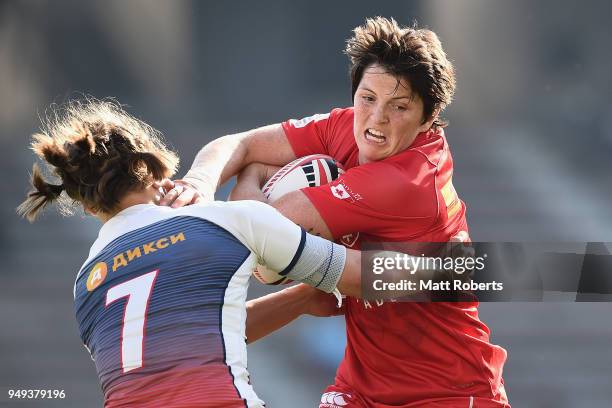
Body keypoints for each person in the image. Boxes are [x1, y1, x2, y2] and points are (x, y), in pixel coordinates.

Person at [165, 17, 510, 407]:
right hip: (362, 387)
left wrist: (253, 176)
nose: (377, 119)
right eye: (368, 98)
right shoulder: (346, 126)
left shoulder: (404, 183)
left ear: (428, 119)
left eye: (399, 107)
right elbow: (239, 144)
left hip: (445, 393)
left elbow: (265, 248)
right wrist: (197, 183)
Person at [17, 99, 410, 407]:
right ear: (154, 165)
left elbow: (200, 336)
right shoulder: (225, 222)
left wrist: (301, 299)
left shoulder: (86, 282)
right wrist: (465, 268)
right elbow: (365, 276)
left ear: (88, 205)